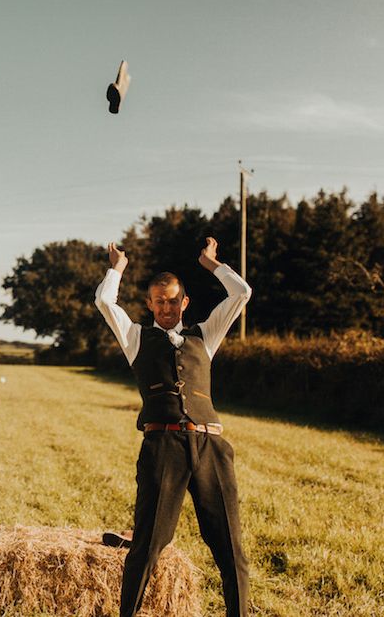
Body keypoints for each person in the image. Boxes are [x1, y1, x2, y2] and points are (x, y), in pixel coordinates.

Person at [94, 237, 251, 617]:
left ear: (184, 303)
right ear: (150, 304)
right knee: (148, 544)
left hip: (211, 447)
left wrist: (212, 264)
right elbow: (104, 302)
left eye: (172, 300)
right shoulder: (135, 338)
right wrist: (118, 267)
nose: (166, 307)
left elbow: (242, 292)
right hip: (162, 448)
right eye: (158, 301)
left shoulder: (205, 335)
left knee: (230, 548)